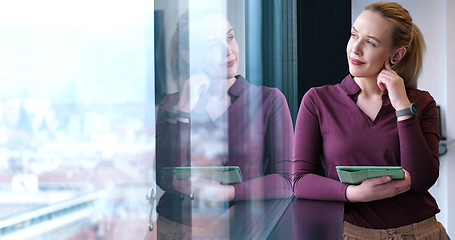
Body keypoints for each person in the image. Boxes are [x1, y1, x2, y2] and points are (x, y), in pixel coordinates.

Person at [293, 2, 450, 239]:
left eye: (370, 42)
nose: (355, 49)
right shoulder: (317, 100)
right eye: (354, 35)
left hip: (422, 232)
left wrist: (402, 108)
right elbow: (300, 181)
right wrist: (352, 193)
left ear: (396, 55)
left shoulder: (420, 102)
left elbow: (421, 180)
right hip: (351, 234)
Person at [154, 9, 294, 239]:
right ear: (189, 54)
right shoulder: (172, 103)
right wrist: (183, 112)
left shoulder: (269, 100)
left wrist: (226, 192)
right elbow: (164, 178)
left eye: (230, 37)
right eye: (212, 45)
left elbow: (286, 181)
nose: (228, 51)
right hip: (173, 230)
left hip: (241, 230)